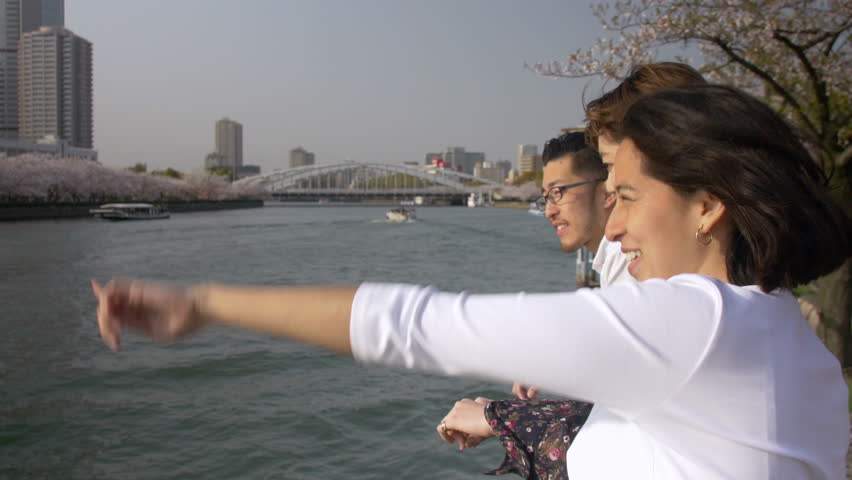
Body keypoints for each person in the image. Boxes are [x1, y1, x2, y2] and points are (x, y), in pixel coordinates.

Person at [93, 85, 851, 479]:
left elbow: (418, 325)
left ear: (707, 205)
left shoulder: (693, 324)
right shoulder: (789, 343)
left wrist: (206, 301)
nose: (613, 228)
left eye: (622, 195)